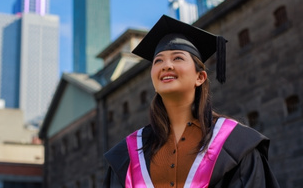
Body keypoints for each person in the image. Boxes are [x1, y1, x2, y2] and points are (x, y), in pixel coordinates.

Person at [102, 15, 280, 188]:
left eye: (178, 58)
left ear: (200, 77)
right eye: (158, 60)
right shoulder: (127, 155)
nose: (166, 65)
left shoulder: (236, 144)